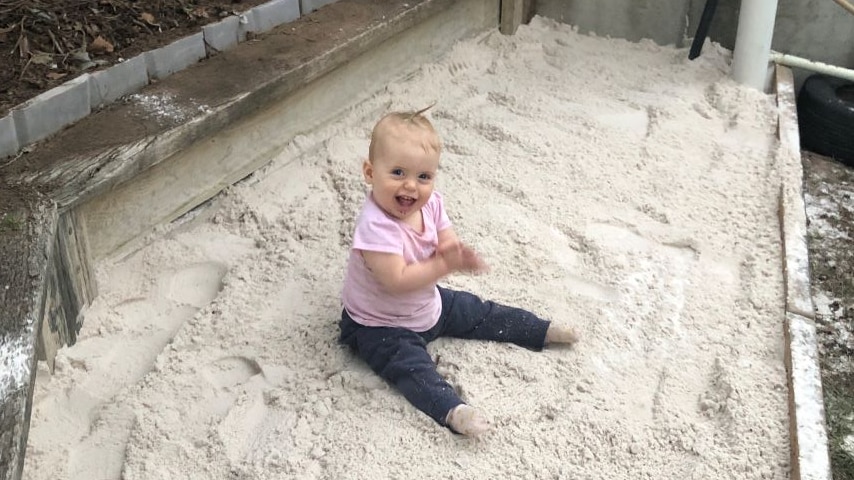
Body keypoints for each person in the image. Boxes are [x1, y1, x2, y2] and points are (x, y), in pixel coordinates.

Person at [338, 107, 579, 437]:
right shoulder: (375, 227)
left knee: (480, 312)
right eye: (397, 172)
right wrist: (443, 265)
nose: (411, 186)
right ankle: (453, 410)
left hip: (429, 304)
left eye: (423, 176)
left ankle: (539, 330)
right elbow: (396, 281)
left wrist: (451, 250)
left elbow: (444, 234)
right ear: (369, 172)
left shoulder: (431, 202)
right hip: (379, 324)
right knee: (410, 370)